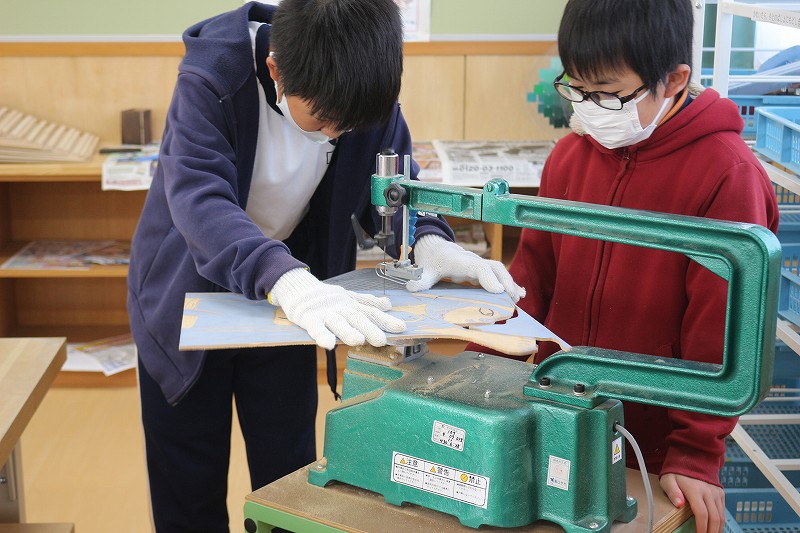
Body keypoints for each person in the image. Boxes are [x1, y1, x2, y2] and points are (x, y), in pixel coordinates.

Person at [127, 1, 523, 531]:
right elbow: (200, 200)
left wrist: (427, 237)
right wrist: (285, 278)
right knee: (188, 483)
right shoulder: (212, 77)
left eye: (350, 125)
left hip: (293, 301)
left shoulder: (361, 93)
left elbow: (396, 184)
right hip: (188, 297)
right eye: (324, 120)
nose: (336, 134)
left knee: (287, 479)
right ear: (275, 70)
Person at [467, 1, 778, 532]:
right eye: (577, 89)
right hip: (554, 419)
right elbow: (531, 280)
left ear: (674, 80)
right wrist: (477, 374)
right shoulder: (570, 157)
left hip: (652, 450)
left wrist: (696, 450)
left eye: (608, 94)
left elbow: (722, 332)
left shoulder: (728, 175)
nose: (590, 109)